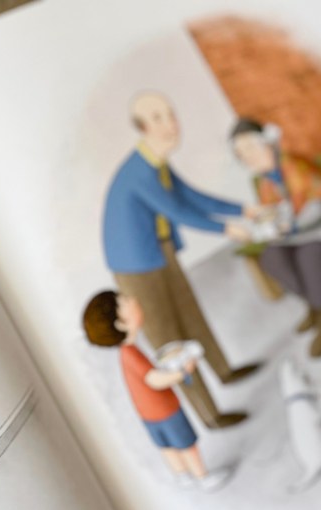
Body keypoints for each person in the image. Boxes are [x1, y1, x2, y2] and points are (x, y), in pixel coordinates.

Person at [102, 92, 263, 429]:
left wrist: (243, 210)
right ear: (142, 127)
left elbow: (190, 197)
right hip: (135, 265)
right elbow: (178, 211)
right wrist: (227, 228)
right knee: (170, 339)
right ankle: (210, 415)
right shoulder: (139, 172)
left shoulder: (157, 164)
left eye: (170, 114)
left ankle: (224, 370)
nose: (170, 124)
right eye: (157, 118)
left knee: (190, 314)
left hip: (160, 249)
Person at [230, 117, 321, 358]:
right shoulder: (266, 180)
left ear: (266, 142)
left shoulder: (294, 165)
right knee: (272, 256)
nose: (247, 156)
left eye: (250, 147)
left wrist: (290, 227)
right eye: (241, 152)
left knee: (309, 254)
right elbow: (272, 212)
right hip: (297, 233)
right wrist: (268, 226)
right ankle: (312, 303)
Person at [83, 291, 233, 492]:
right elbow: (154, 380)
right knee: (186, 444)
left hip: (148, 413)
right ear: (121, 323)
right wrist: (182, 372)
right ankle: (202, 477)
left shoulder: (127, 352)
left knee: (167, 446)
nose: (133, 299)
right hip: (164, 409)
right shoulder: (131, 353)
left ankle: (182, 475)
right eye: (125, 301)